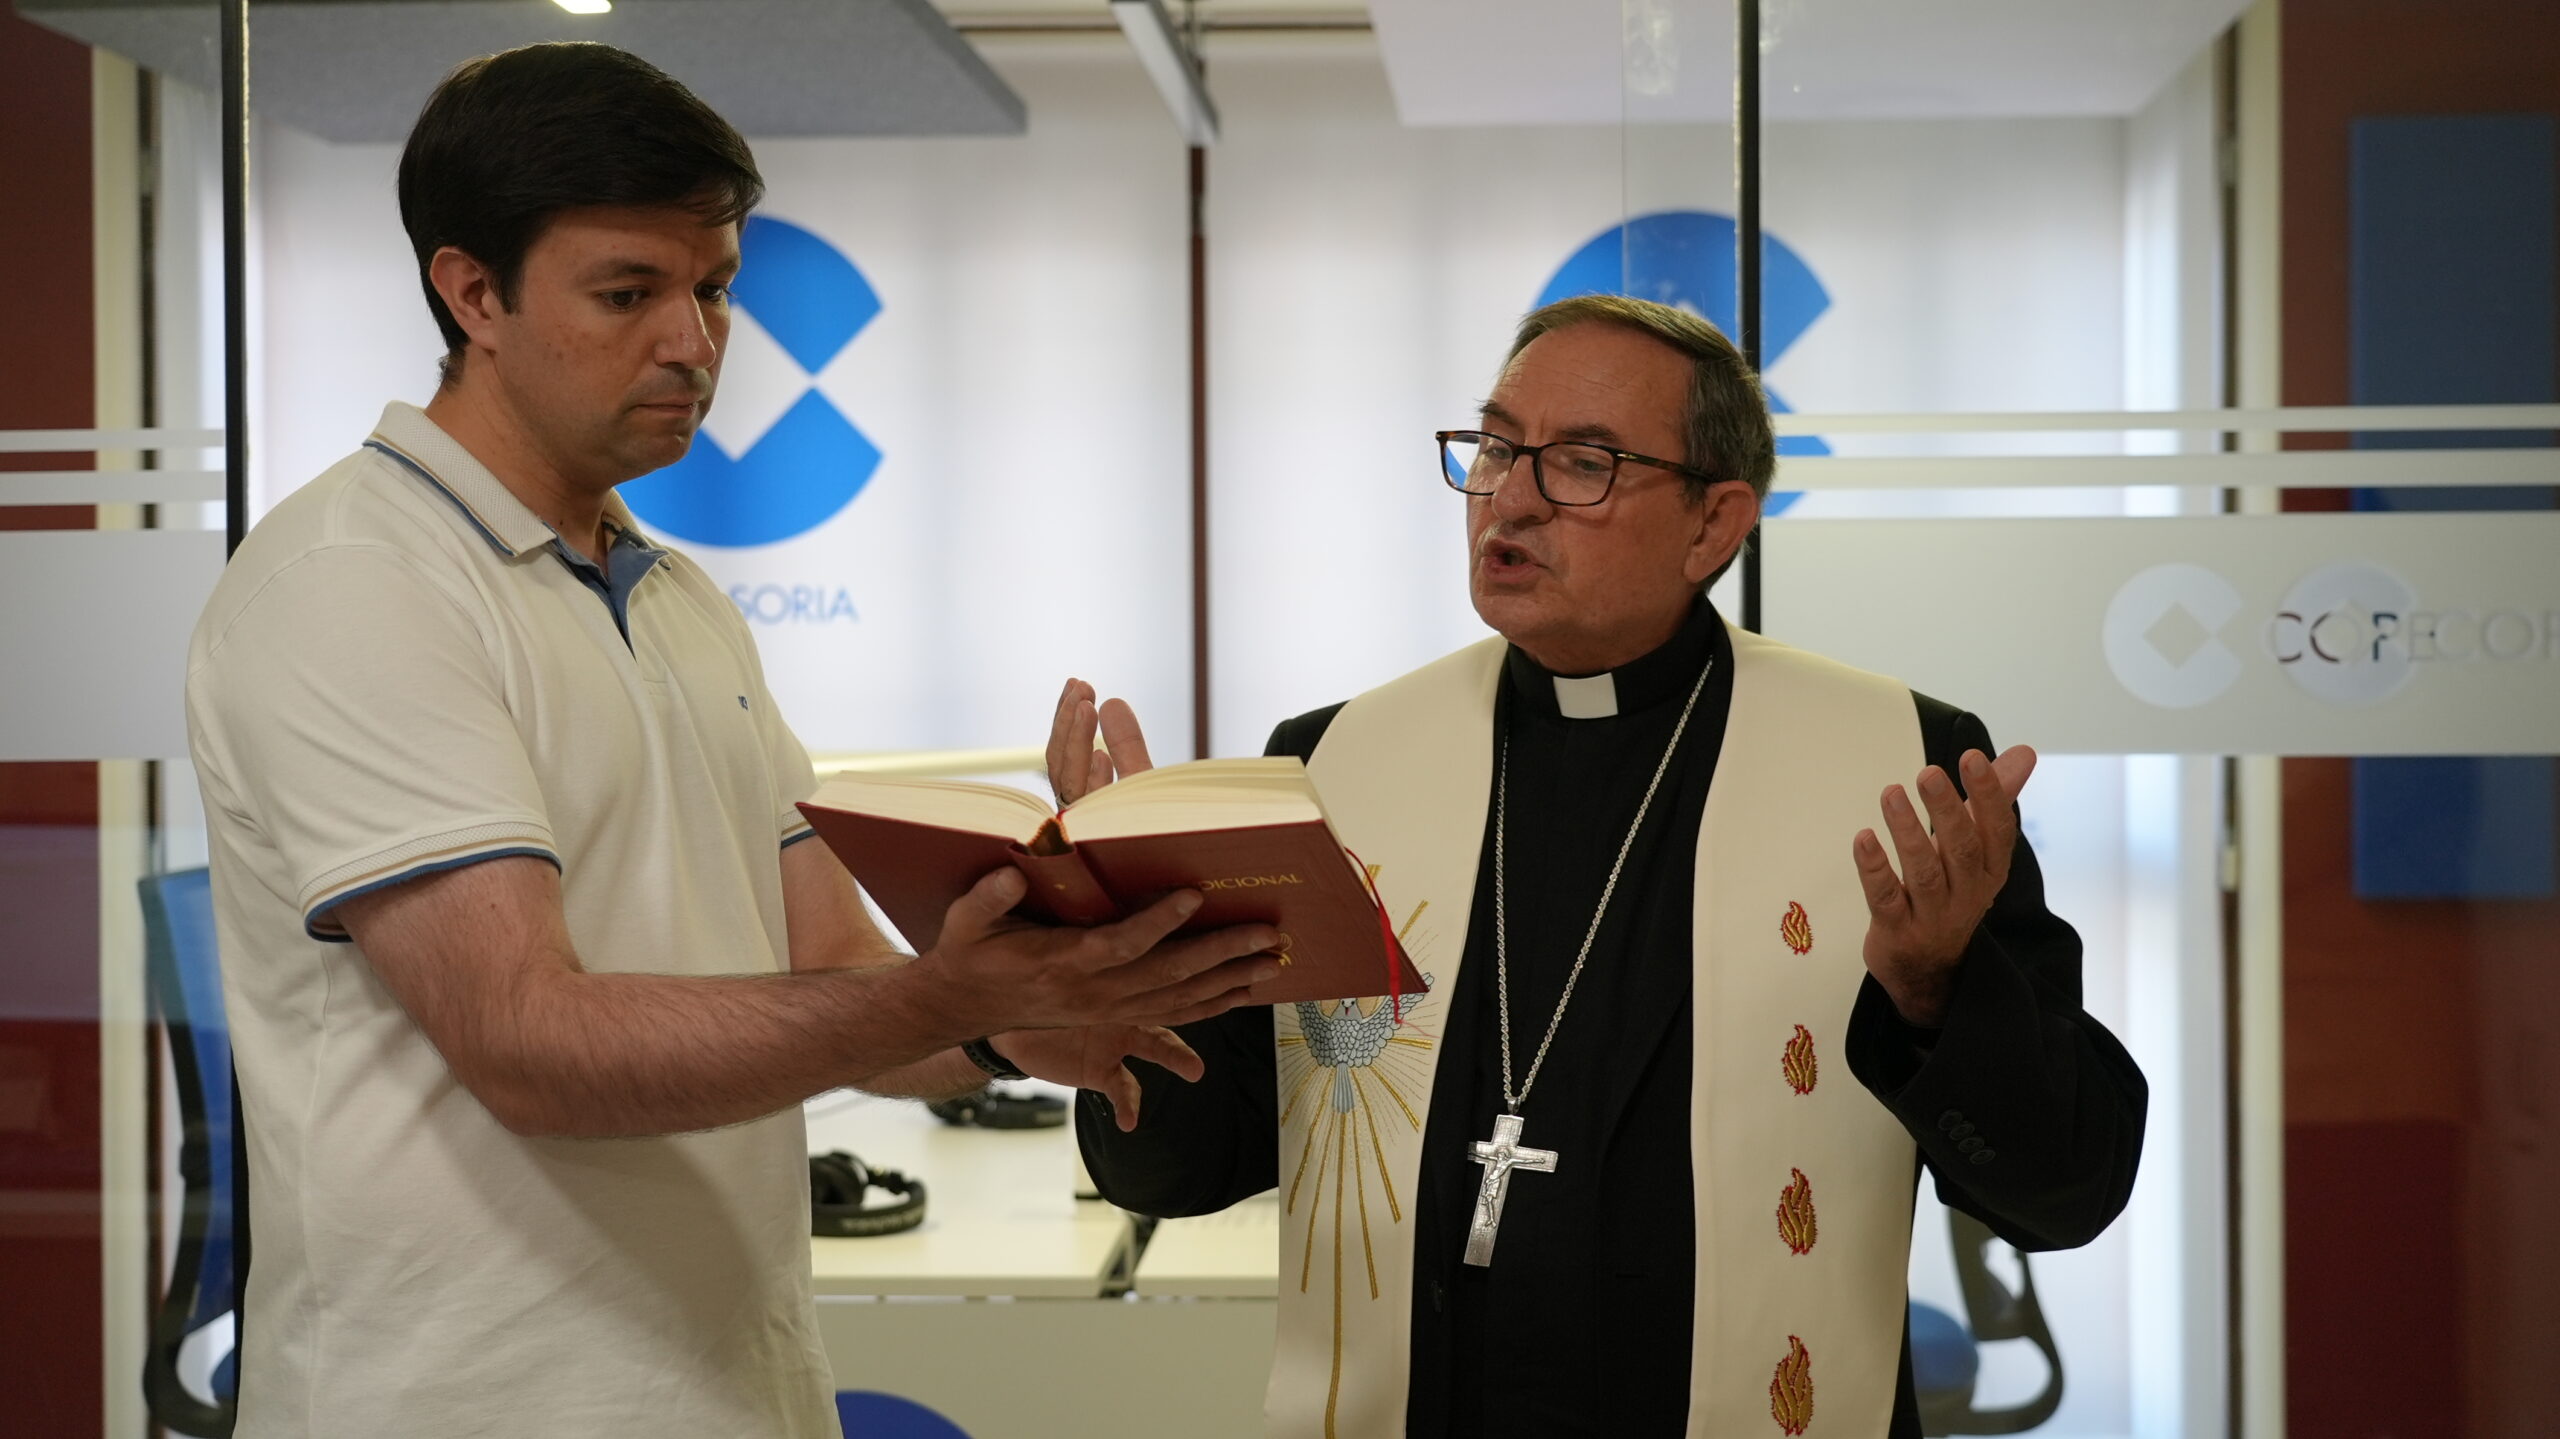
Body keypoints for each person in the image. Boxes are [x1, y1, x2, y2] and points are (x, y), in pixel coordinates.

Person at [184, 44, 1278, 1439]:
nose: (693, 343)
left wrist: (1019, 1013)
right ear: (472, 293)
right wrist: (943, 997)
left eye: (712, 290)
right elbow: (527, 1039)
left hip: (730, 1386)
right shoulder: (354, 581)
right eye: (627, 293)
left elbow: (827, 965)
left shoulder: (676, 597)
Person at [1064, 294, 2148, 1438]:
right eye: (1495, 447)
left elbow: (2066, 1189)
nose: (1510, 497)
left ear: (1713, 524)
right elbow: (1185, 1165)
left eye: (1582, 463)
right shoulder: (1332, 763)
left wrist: (1934, 996)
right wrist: (1127, 976)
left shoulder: (1900, 764)